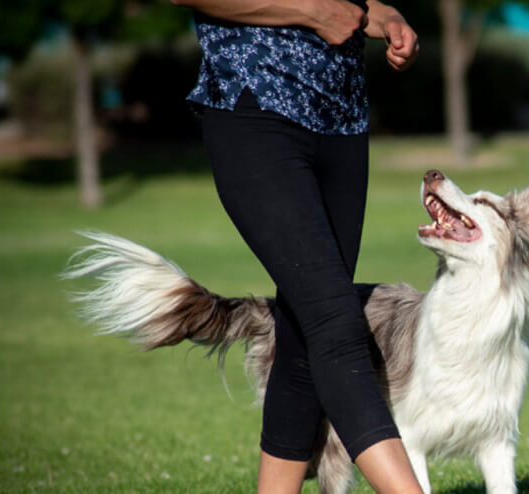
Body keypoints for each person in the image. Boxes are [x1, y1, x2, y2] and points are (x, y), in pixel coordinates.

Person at [169, 0, 422, 492]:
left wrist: (389, 21)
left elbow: (351, 7)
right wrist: (309, 12)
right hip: (257, 107)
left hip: (342, 124)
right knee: (335, 321)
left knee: (303, 335)